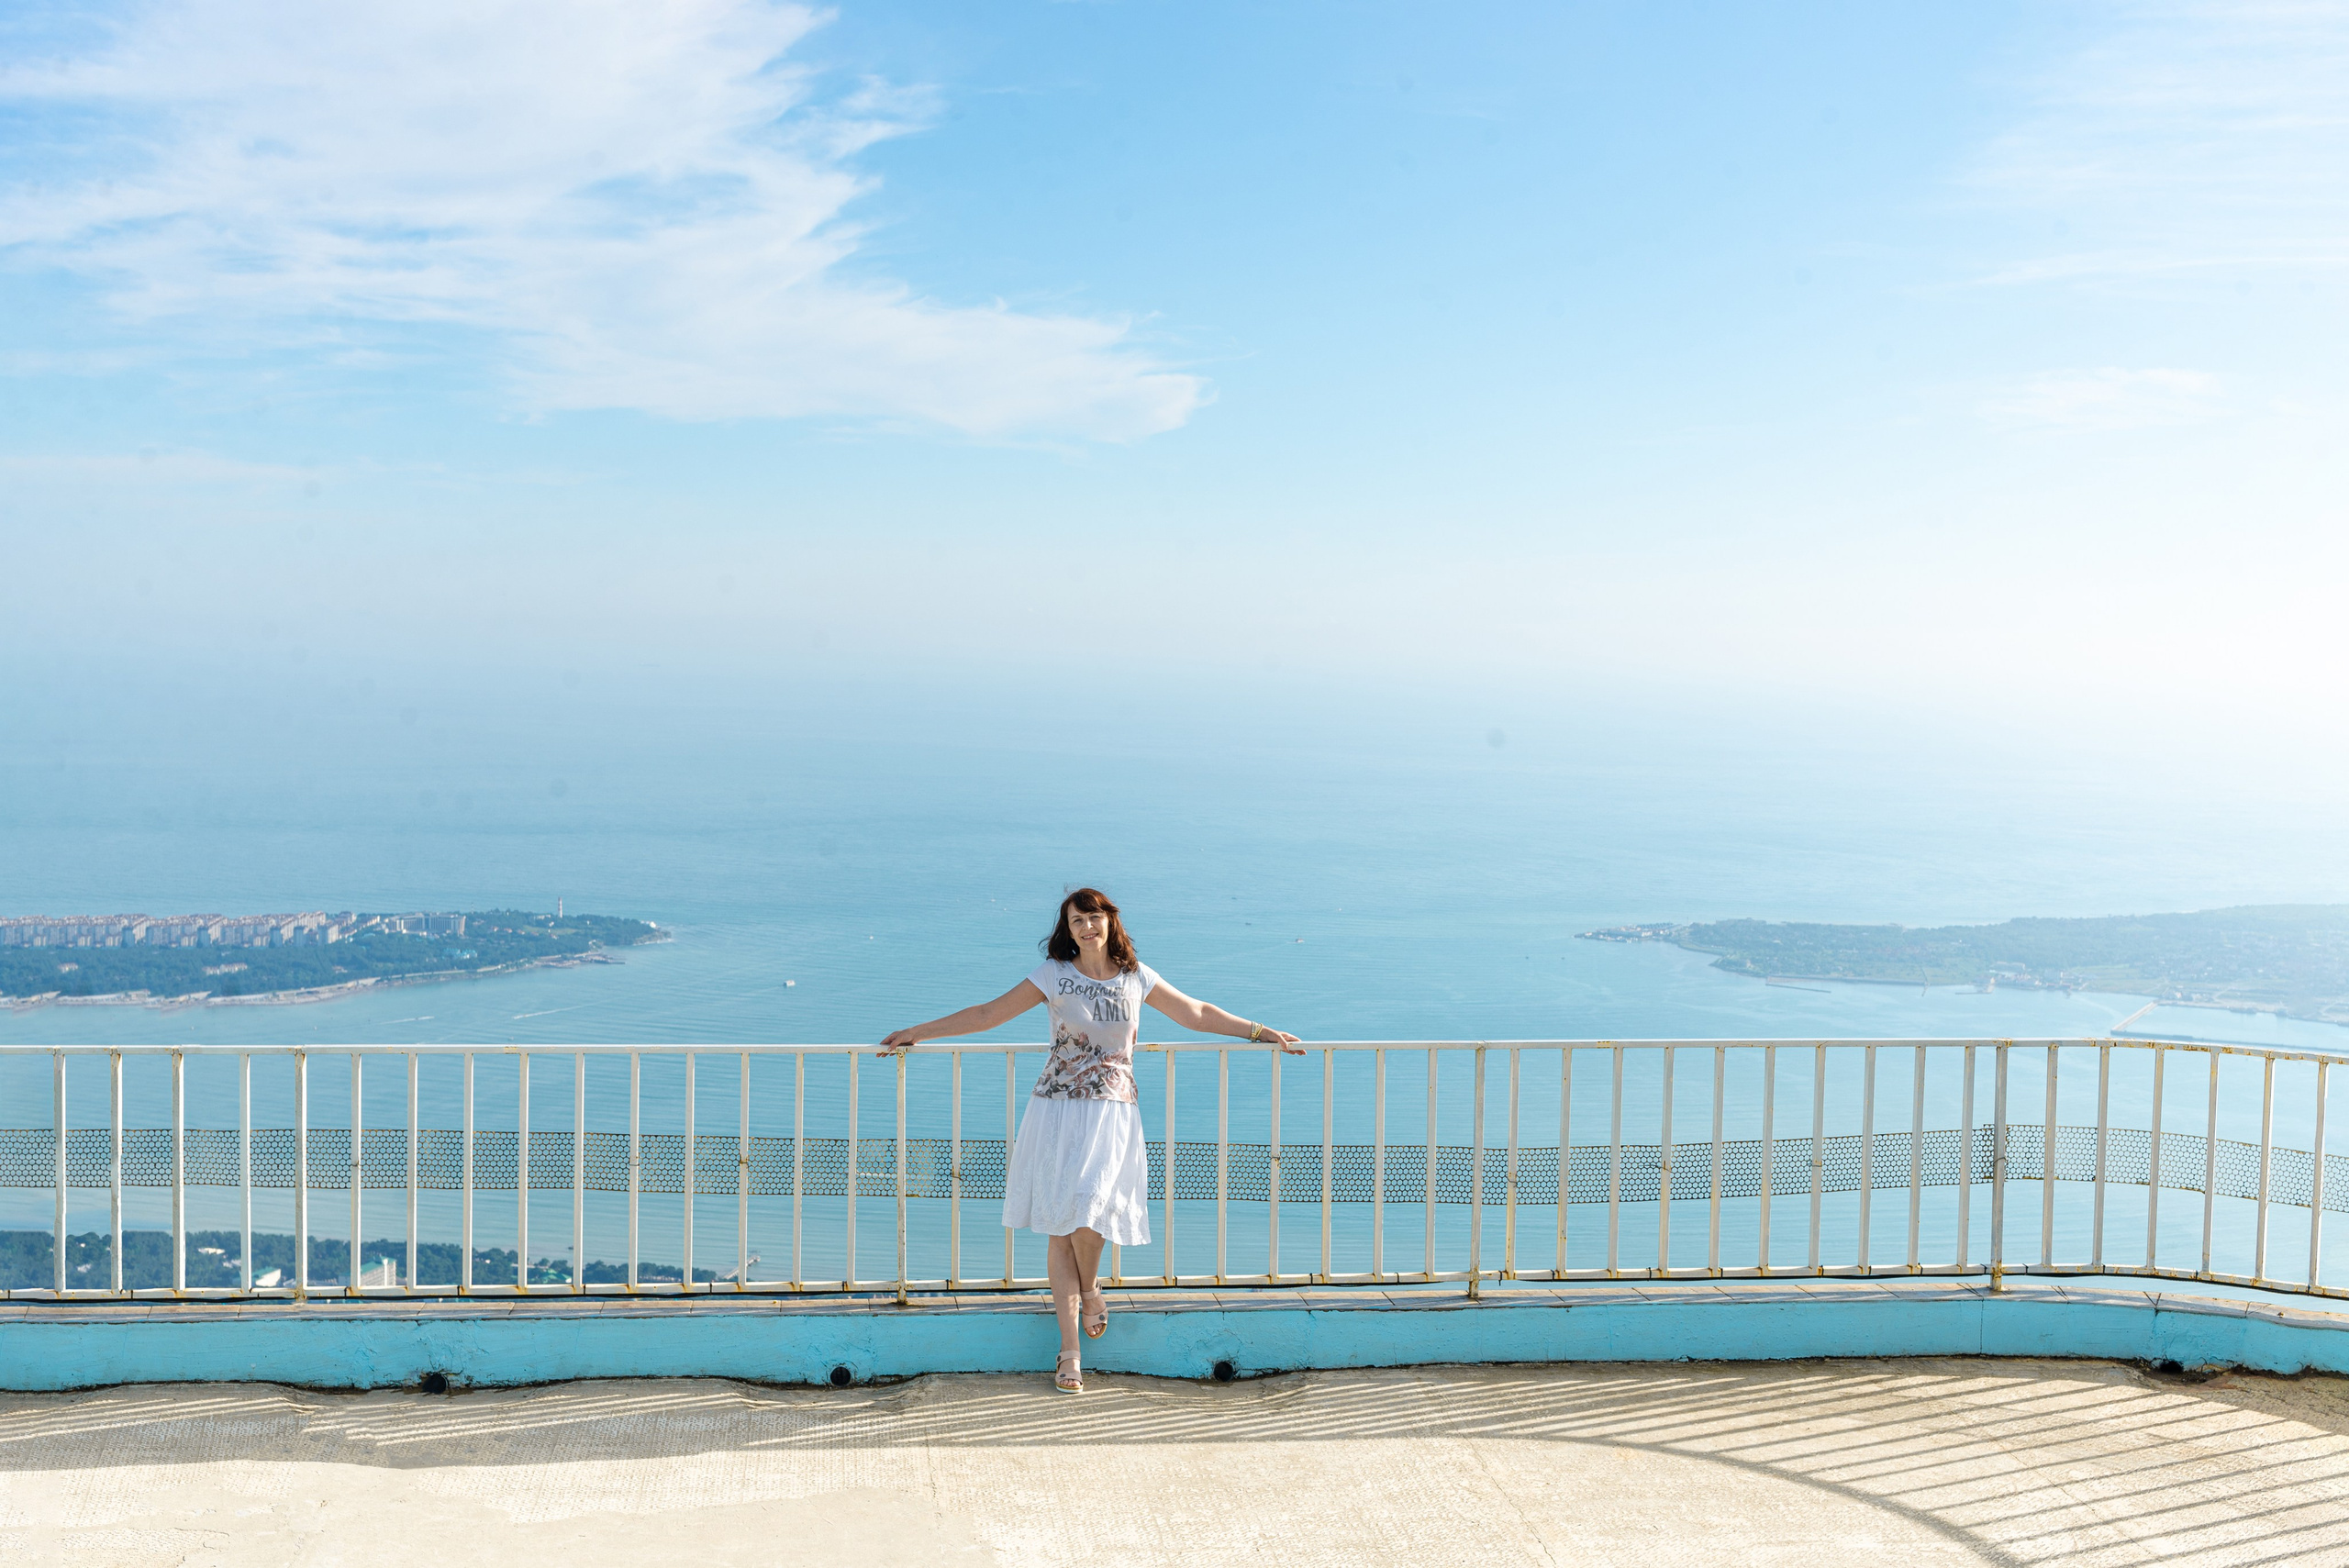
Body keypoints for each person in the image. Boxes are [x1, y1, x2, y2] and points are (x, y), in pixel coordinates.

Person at [882, 887, 1299, 1393]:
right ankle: (1070, 1350)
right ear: (1067, 927)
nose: (1086, 927)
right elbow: (988, 1014)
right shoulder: (1054, 975)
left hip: (1112, 1113)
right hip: (1056, 1111)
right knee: (1062, 1224)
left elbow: (1198, 1013)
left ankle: (1090, 1288)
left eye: (1094, 918)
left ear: (1109, 921)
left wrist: (1261, 1032)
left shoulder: (1136, 976)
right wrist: (918, 1032)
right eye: (1076, 920)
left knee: (1091, 1210)